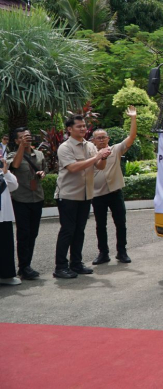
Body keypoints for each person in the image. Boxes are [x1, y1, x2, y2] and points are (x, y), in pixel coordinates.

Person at [53, 115, 111, 279]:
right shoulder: (65, 147)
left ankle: (76, 264)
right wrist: (97, 157)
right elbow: (73, 168)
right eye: (79, 126)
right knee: (68, 231)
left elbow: (99, 166)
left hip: (85, 195)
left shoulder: (90, 146)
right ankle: (60, 267)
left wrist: (103, 157)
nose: (83, 129)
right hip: (68, 195)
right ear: (69, 129)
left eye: (84, 126)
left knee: (79, 231)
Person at [90, 106, 137, 266]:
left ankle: (122, 252)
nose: (101, 140)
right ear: (93, 141)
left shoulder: (115, 150)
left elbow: (131, 137)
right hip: (97, 195)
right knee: (100, 225)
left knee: (120, 223)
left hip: (115, 192)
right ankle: (103, 253)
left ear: (108, 139)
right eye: (98, 138)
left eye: (104, 137)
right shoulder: (90, 154)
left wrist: (133, 118)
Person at [7, 127, 46, 280]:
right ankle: (23, 267)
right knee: (23, 234)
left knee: (33, 233)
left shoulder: (39, 154)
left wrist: (42, 173)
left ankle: (27, 265)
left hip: (37, 198)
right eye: (22, 137)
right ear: (17, 141)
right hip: (21, 199)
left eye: (28, 136)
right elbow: (15, 166)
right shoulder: (13, 155)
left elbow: (44, 169)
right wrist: (22, 147)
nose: (27, 138)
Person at [0, 155, 21, 285]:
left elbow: (14, 186)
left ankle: (6, 276)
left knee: (5, 247)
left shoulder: (3, 173)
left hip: (4, 216)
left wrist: (5, 171)